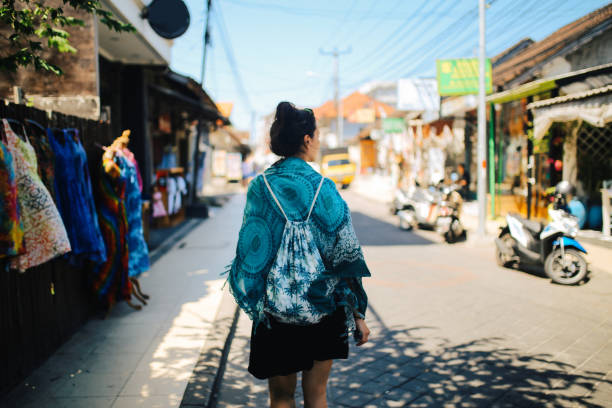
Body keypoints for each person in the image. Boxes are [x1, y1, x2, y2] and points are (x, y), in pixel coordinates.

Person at [227, 101, 371, 408]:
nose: (318, 142)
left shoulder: (260, 187)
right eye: (317, 136)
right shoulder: (325, 188)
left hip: (277, 315)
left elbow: (252, 252)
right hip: (324, 309)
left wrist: (256, 299)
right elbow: (344, 254)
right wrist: (357, 312)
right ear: (307, 139)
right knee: (317, 395)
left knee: (280, 398)